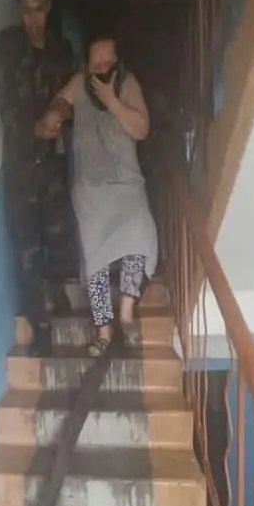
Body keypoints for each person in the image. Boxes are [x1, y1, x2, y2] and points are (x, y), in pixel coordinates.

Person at [36, 34, 159, 356]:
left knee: (139, 236)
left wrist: (112, 101)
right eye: (97, 63)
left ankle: (126, 315)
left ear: (117, 62)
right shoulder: (79, 83)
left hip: (126, 185)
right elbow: (61, 101)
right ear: (87, 66)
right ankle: (103, 331)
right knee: (95, 258)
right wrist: (54, 114)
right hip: (90, 191)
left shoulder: (127, 83)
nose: (103, 68)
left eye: (108, 62)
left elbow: (142, 129)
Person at [0, 0, 77, 356]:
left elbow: (75, 97)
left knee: (58, 236)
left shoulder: (62, 50)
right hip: (22, 163)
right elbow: (6, 103)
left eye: (38, 9)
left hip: (54, 162)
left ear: (49, 7)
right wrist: (36, 127)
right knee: (27, 248)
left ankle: (56, 289)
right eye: (25, 10)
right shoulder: (9, 46)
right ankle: (38, 323)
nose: (32, 19)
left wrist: (62, 113)